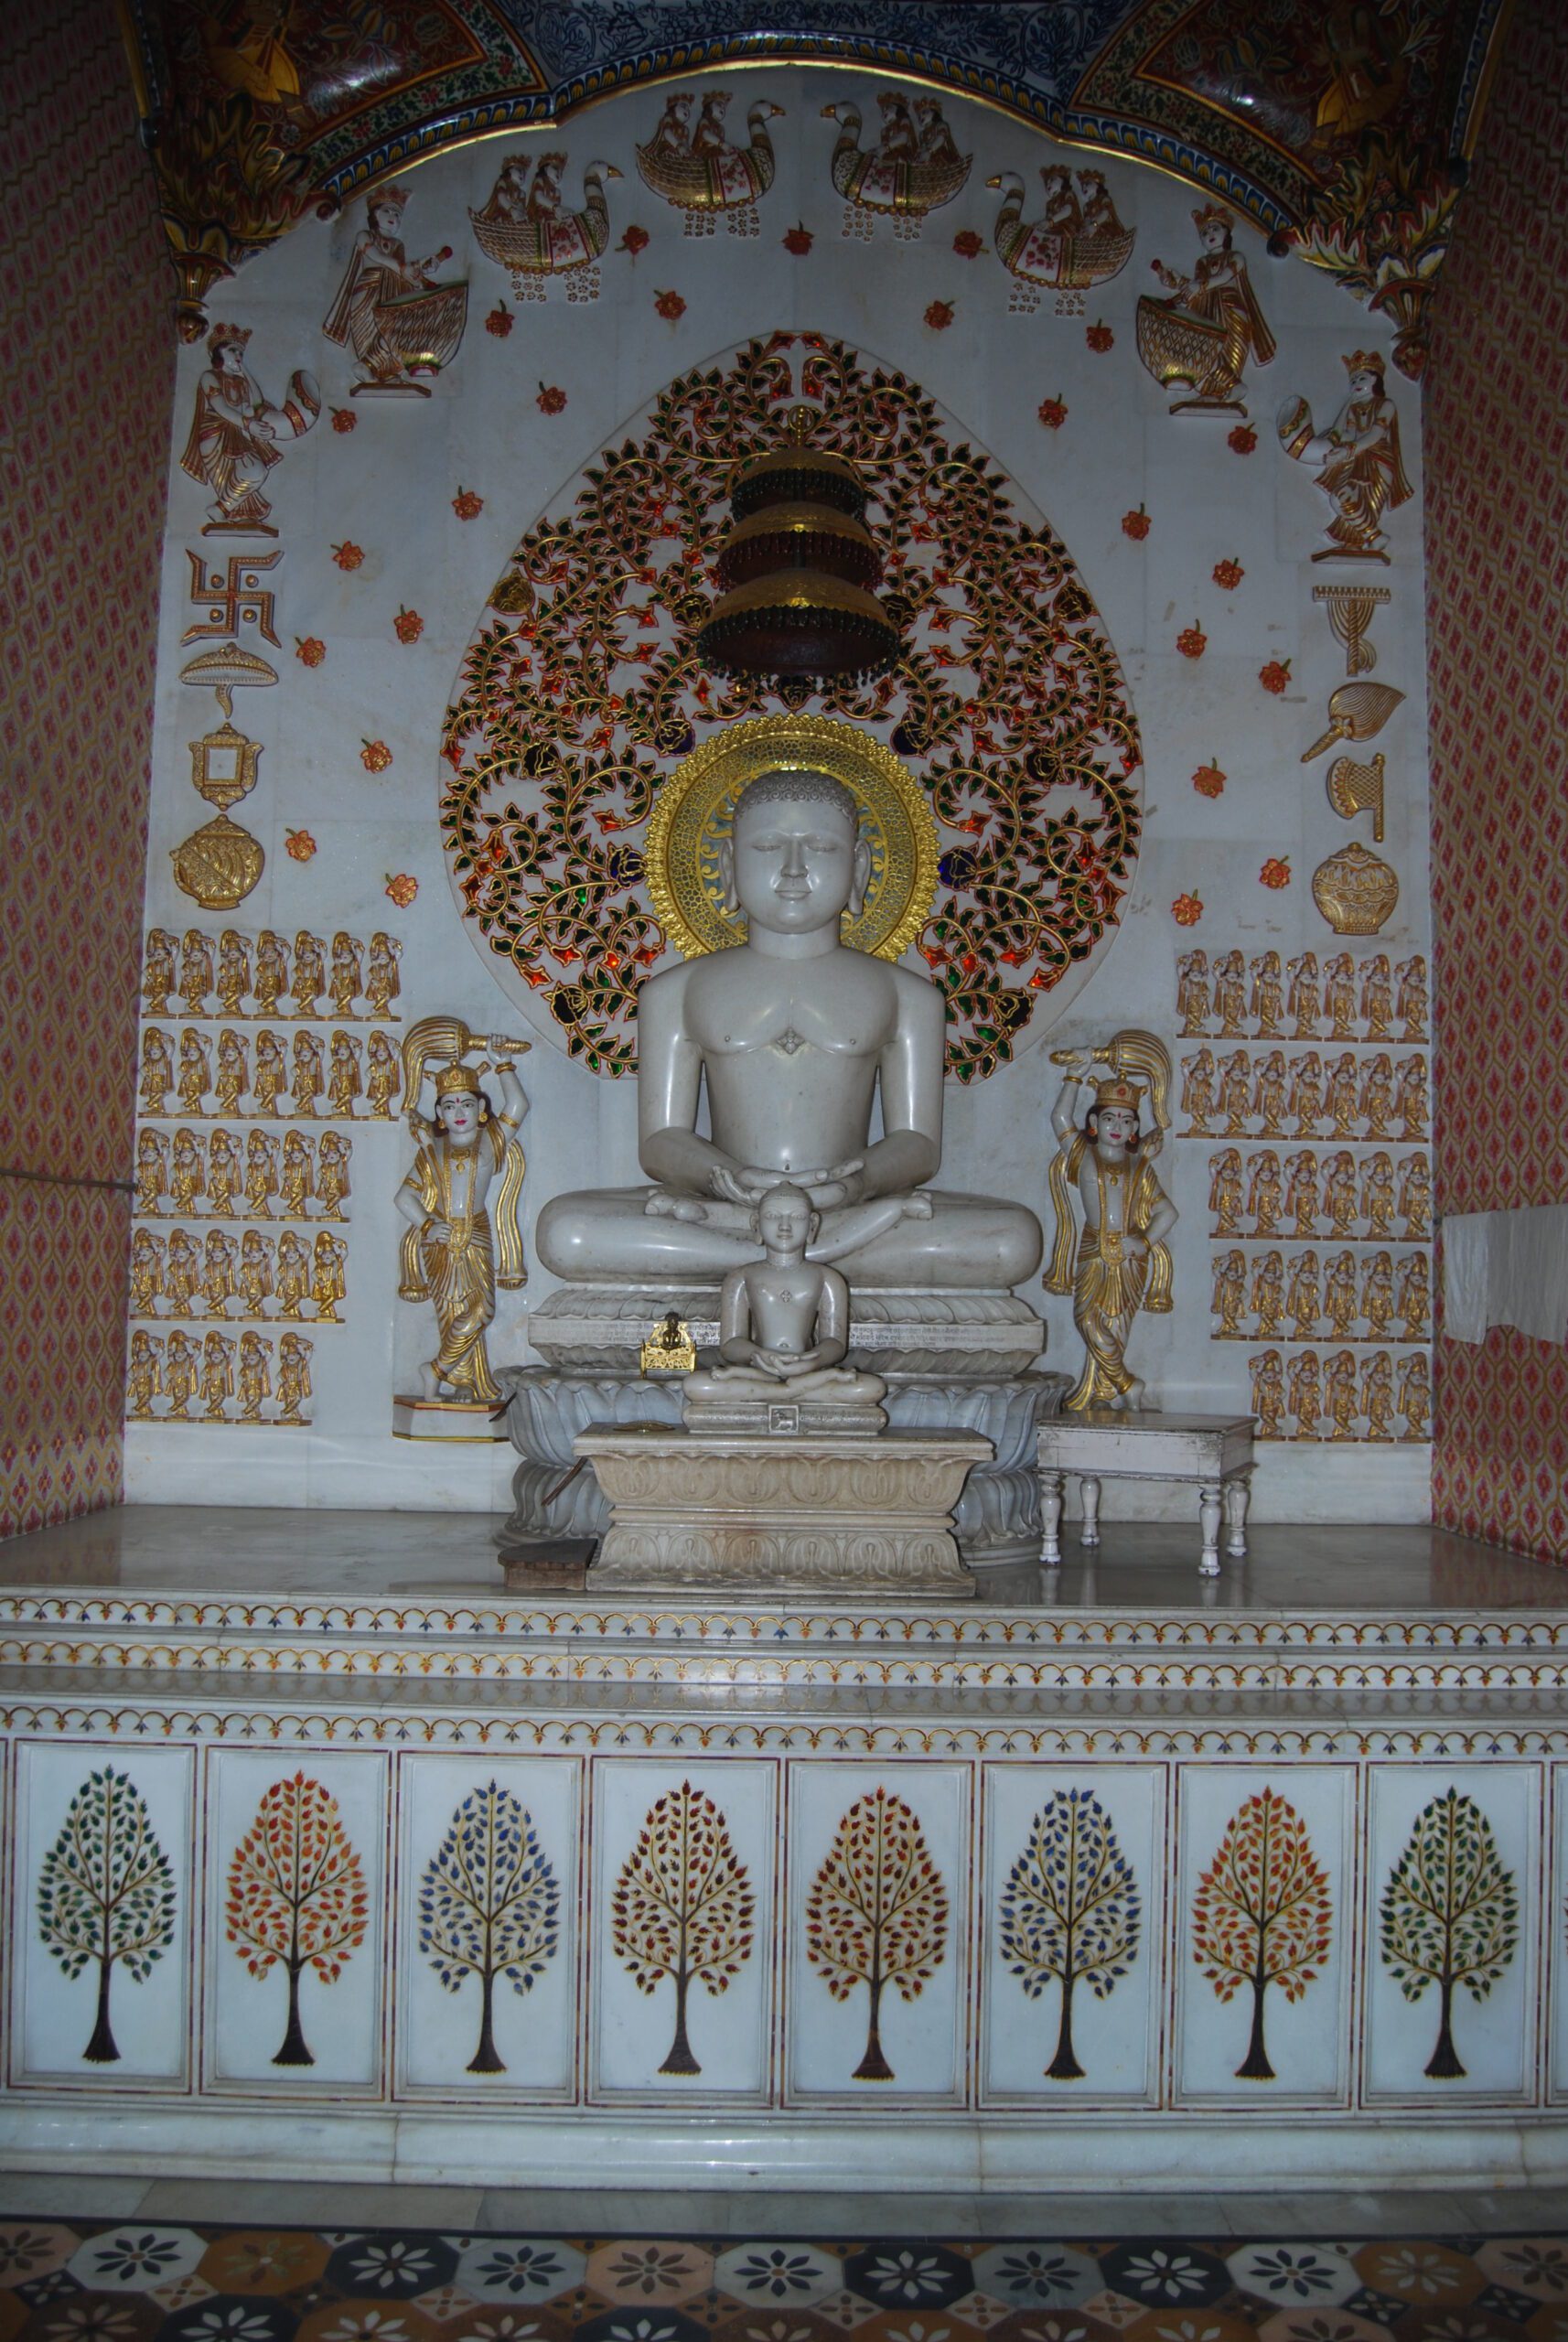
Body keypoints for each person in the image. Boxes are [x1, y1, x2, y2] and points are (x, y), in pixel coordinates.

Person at [535, 768, 1040, 1291]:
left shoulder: (906, 996)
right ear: (728, 865)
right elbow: (662, 1140)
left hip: (846, 1210)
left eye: (820, 847)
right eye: (768, 847)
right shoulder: (676, 992)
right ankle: (804, 1258)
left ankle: (764, 1257)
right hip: (724, 1209)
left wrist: (855, 1184)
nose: (794, 870)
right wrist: (723, 1181)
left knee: (1012, 1239)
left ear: (858, 867)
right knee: (566, 1230)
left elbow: (917, 1144)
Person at [397, 1051, 529, 1404]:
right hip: (440, 1237)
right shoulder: (431, 1152)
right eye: (450, 1105)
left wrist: (503, 1065)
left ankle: (436, 1369)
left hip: (477, 1231)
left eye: (467, 1104)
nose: (458, 1112)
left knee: (482, 1310)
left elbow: (518, 1105)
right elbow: (403, 1199)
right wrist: (427, 1225)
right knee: (450, 1312)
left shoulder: (491, 1141)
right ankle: (459, 1383)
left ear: (481, 1110)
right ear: (439, 1113)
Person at [1045, 1066, 1176, 1412]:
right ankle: (1127, 1383)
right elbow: (1059, 1117)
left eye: (1126, 1121)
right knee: (1086, 1318)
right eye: (1109, 1119)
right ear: (1094, 1124)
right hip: (1093, 1247)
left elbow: (1168, 1213)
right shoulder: (1082, 1156)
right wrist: (1073, 1077)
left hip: (1131, 1254)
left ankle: (1102, 1391)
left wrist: (1144, 1242)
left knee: (1117, 1326)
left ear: (1135, 1128)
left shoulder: (1140, 1168)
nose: (1117, 1127)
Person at [323, 188, 467, 393]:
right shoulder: (365, 236)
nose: (394, 217)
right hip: (371, 289)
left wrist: (423, 267)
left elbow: (405, 272)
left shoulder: (398, 244)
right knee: (381, 330)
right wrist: (404, 268)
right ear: (374, 215)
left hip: (395, 289)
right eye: (388, 211)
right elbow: (378, 257)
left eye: (397, 214)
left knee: (400, 330)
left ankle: (385, 373)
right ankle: (366, 365)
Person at [1138, 204, 1275, 410]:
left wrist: (1196, 286)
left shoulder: (1236, 257)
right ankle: (1218, 392)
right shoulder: (1202, 262)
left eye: (1215, 229)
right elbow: (1196, 289)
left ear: (1227, 232)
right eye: (1204, 232)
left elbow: (1222, 278)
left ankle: (1233, 384)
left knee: (1231, 353)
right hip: (1206, 311)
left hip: (1232, 311)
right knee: (1203, 353)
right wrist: (1176, 282)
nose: (1209, 234)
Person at [179, 325, 282, 532]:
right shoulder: (210, 377)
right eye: (232, 351)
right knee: (254, 472)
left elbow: (254, 406)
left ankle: (223, 511)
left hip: (236, 433)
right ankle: (221, 509)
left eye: (241, 352)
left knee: (255, 473)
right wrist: (249, 425)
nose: (238, 356)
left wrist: (246, 372)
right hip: (215, 435)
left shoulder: (240, 382)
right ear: (218, 353)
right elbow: (221, 408)